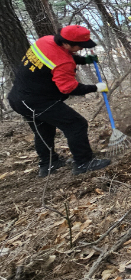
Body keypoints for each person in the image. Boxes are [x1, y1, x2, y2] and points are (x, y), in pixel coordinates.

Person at [8, 25, 112, 177]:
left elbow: (58, 56)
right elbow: (68, 88)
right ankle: (83, 162)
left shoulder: (45, 41)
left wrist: (84, 60)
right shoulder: (64, 62)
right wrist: (95, 88)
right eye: (79, 46)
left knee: (44, 130)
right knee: (76, 124)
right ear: (67, 43)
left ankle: (48, 164)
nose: (80, 49)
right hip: (36, 101)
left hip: (19, 98)